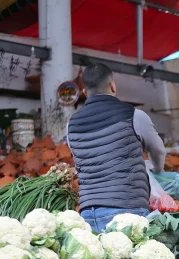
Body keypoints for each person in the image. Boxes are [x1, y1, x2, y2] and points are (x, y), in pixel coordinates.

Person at [67, 63, 166, 232]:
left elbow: (81, 162)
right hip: (128, 212)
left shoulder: (71, 125)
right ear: (113, 85)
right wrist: (158, 171)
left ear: (84, 92)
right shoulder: (134, 115)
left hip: (88, 215)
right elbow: (158, 150)